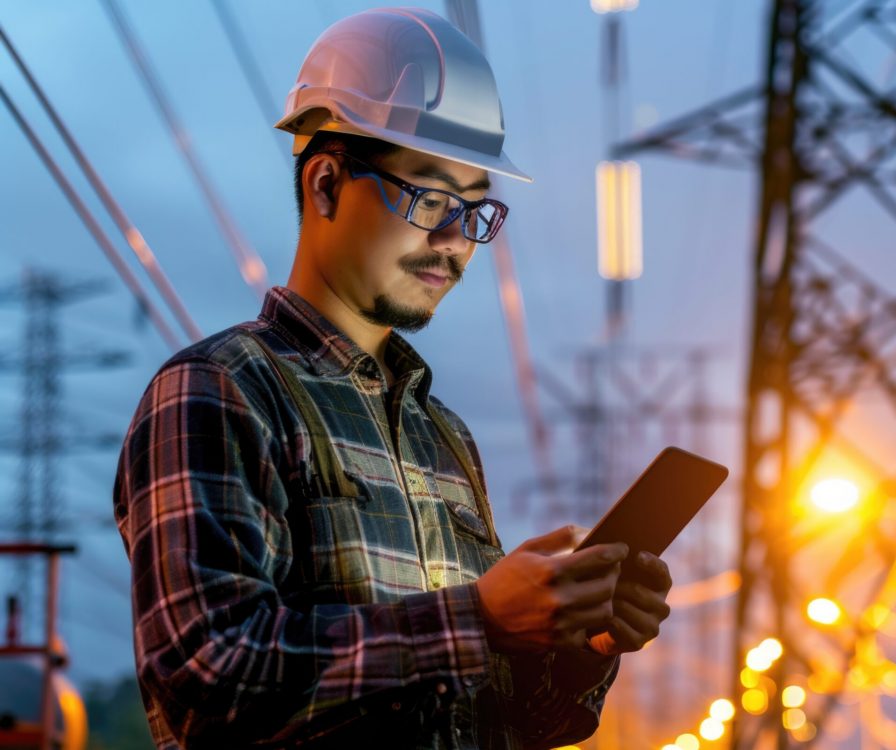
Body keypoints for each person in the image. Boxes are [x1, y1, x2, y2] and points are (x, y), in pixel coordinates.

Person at [112, 8, 672, 748]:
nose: (455, 243)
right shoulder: (218, 391)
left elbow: (506, 721)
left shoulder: (445, 439)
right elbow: (209, 679)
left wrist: (580, 649)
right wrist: (478, 617)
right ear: (325, 184)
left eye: (474, 210)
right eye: (431, 199)